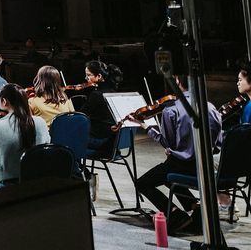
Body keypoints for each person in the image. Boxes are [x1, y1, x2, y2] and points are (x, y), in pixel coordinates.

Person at [135, 75, 223, 235]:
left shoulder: (171, 109)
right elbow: (217, 145)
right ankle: (196, 209)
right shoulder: (211, 108)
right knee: (169, 176)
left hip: (181, 166)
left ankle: (176, 215)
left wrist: (146, 126)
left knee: (142, 183)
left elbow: (167, 143)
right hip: (206, 168)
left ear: (177, 82)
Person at [80, 60, 121, 155]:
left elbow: (81, 116)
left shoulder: (97, 95)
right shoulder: (114, 93)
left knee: (68, 139)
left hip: (101, 143)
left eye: (89, 75)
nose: (86, 78)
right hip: (114, 143)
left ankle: (77, 169)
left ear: (99, 76)